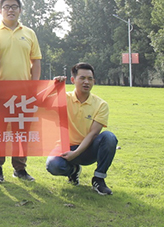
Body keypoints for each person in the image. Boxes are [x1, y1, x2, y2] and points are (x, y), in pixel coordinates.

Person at [46, 63, 117, 195]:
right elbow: (38, 103)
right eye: (82, 78)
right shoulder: (63, 98)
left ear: (94, 81)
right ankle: (74, 171)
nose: (86, 82)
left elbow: (93, 134)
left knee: (109, 137)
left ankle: (99, 179)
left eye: (90, 79)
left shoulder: (101, 105)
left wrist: (76, 153)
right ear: (73, 80)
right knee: (53, 166)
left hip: (88, 149)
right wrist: (53, 87)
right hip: (65, 147)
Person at [0, 0, 41, 183]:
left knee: (22, 132)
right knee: (0, 131)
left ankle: (20, 168)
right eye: (6, 7)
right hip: (0, 92)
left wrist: (34, 86)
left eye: (14, 6)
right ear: (0, 10)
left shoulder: (29, 33)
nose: (10, 10)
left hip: (23, 93)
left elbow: (36, 61)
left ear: (20, 10)